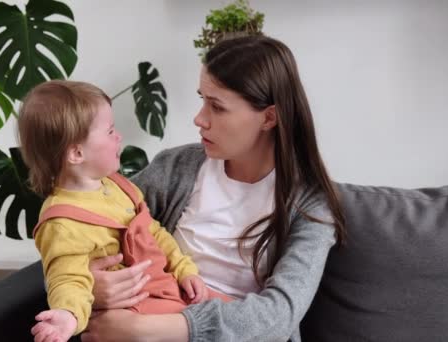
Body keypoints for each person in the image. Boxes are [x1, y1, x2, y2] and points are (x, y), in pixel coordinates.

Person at [80, 35, 346, 342]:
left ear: (268, 117)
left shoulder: (309, 204)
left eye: (217, 107)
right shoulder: (175, 168)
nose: (199, 119)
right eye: (202, 99)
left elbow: (279, 316)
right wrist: (89, 286)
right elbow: (81, 228)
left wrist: (155, 329)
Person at [17, 80, 227, 342]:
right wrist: (67, 315)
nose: (119, 137)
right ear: (76, 153)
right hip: (134, 310)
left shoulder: (119, 186)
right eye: (110, 131)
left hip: (166, 290)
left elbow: (155, 233)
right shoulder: (61, 223)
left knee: (226, 314)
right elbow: (67, 278)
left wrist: (185, 270)